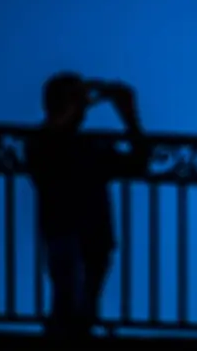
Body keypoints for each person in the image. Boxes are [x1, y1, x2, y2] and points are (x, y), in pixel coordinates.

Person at [25, 71, 150, 340]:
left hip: (93, 236)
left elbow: (137, 164)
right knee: (69, 304)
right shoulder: (42, 141)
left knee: (81, 308)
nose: (83, 106)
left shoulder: (89, 147)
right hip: (67, 233)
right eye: (74, 99)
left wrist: (129, 116)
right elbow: (46, 151)